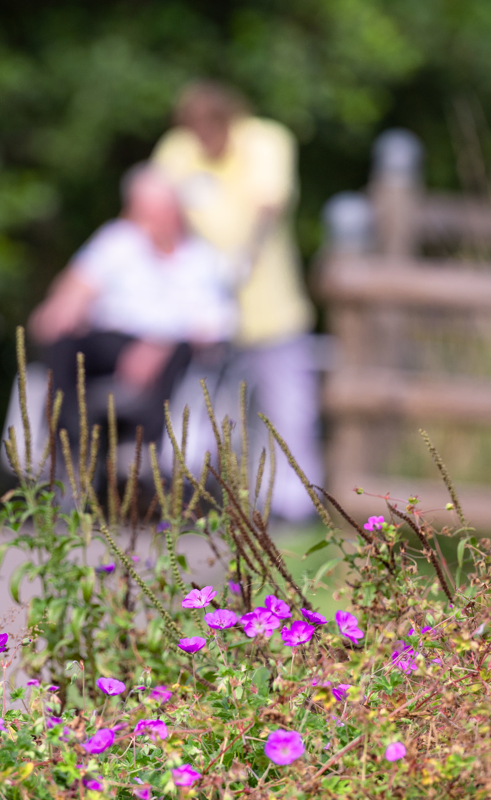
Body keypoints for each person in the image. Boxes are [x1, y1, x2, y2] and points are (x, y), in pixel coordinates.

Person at [151, 80, 322, 521]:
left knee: (288, 410)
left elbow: (269, 206)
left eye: (211, 127)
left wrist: (242, 259)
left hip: (269, 310)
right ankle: (195, 500)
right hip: (202, 317)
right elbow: (156, 207)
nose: (201, 138)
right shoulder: (177, 149)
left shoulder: (265, 140)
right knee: (199, 412)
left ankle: (293, 507)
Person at [29, 164, 235, 447]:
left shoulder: (202, 259)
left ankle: (149, 456)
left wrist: (158, 345)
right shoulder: (117, 242)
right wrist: (64, 307)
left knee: (178, 357)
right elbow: (74, 288)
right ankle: (70, 443)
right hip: (113, 341)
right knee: (63, 343)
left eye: (156, 211)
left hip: (174, 348)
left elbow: (217, 324)